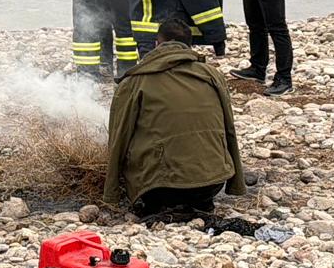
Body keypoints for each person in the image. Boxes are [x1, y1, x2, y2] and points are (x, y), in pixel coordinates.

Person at [104, 17, 247, 217]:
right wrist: (236, 184)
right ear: (189, 46)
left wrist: (111, 194)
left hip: (159, 190)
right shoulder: (212, 74)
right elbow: (229, 128)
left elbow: (119, 138)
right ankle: (201, 202)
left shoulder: (135, 81)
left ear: (157, 44)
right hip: (212, 183)